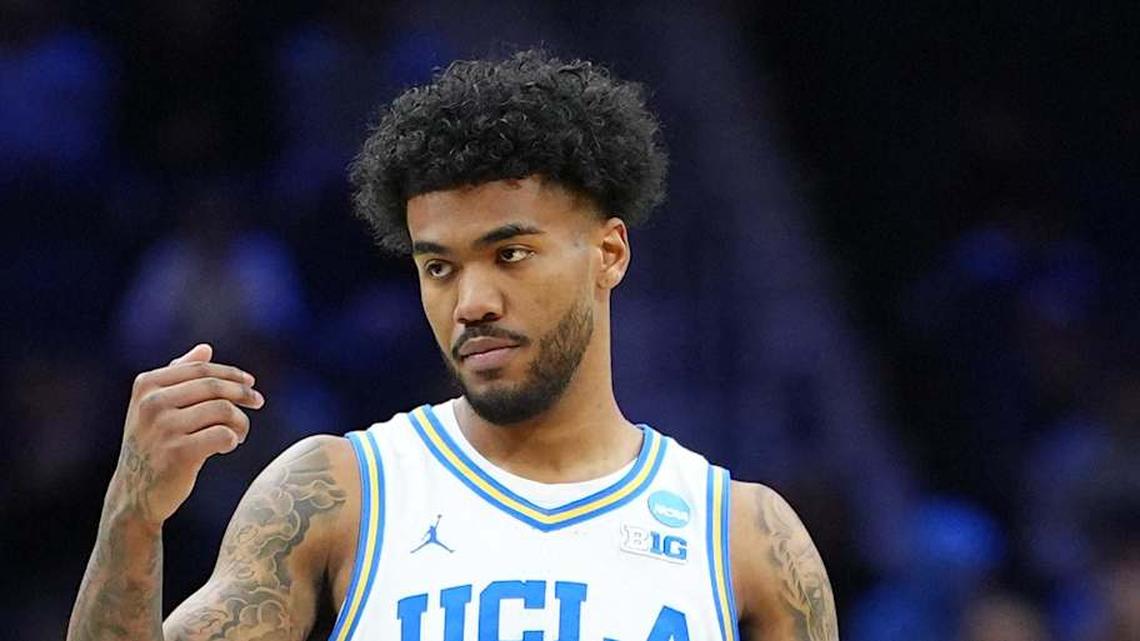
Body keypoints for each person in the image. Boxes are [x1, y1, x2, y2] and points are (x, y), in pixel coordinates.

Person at [67, 49, 838, 641]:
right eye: (439, 266)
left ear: (608, 253)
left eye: (510, 254)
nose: (470, 302)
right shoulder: (340, 493)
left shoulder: (743, 537)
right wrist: (132, 512)